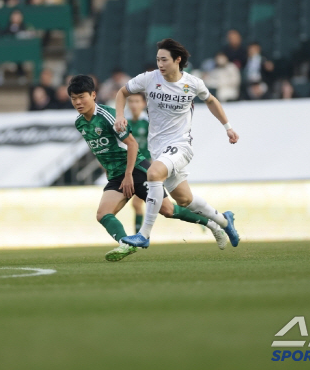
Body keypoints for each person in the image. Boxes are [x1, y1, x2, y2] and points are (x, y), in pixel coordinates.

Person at [68, 75, 227, 262]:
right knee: (103, 214)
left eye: (82, 97)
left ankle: (212, 225)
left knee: (168, 210)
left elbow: (132, 145)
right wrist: (108, 170)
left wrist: (128, 175)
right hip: (116, 175)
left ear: (93, 95)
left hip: (135, 169)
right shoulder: (80, 123)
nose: (78, 102)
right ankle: (125, 244)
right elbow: (100, 150)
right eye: (74, 98)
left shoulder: (108, 115)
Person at [113, 39, 240, 250]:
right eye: (157, 60)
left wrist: (227, 127)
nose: (160, 64)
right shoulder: (149, 79)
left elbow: (211, 100)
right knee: (184, 200)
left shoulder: (192, 83)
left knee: (154, 174)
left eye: (164, 60)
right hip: (159, 149)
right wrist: (119, 115)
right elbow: (122, 92)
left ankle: (143, 235)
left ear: (177, 60)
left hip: (181, 145)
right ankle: (224, 221)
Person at [126, 93, 151, 233]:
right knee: (142, 203)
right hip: (134, 167)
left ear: (143, 104)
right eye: (131, 101)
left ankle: (139, 235)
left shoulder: (148, 123)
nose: (134, 105)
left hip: (148, 166)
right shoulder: (125, 123)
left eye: (137, 101)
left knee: (139, 202)